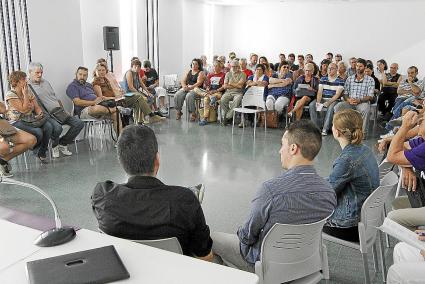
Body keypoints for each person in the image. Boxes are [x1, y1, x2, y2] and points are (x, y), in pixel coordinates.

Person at [211, 120, 336, 272]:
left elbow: (246, 237)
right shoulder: (329, 192)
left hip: (268, 266)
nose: (279, 151)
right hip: (307, 263)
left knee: (207, 240)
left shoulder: (271, 190)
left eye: (282, 144)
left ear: (293, 148)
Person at [91, 125, 213, 260]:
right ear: (157, 160)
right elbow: (205, 256)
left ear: (121, 161)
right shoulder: (185, 200)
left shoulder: (102, 194)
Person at [323, 109, 379, 242]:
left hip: (349, 225)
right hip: (366, 219)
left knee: (304, 213)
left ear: (336, 132)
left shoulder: (346, 160)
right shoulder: (365, 150)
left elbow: (327, 194)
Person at [28, 62, 84, 158]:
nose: (40, 75)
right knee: (58, 128)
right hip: (47, 115)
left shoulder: (46, 82)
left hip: (58, 112)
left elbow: (55, 98)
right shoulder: (28, 86)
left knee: (79, 123)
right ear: (30, 72)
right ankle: (55, 146)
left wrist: (63, 109)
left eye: (41, 72)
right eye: (37, 73)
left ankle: (62, 143)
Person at [5, 71, 60, 164]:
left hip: (30, 119)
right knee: (38, 132)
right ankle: (36, 150)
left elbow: (37, 107)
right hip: (16, 121)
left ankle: (41, 152)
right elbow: (23, 109)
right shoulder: (10, 95)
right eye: (23, 79)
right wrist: (25, 95)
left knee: (48, 127)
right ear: (17, 82)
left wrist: (40, 113)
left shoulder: (28, 91)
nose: (26, 81)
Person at [386, 111, 425, 230]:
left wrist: (404, 126)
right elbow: (403, 146)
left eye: (423, 118)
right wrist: (406, 166)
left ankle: (419, 246)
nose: (419, 119)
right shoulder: (422, 142)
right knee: (398, 203)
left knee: (392, 218)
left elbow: (392, 156)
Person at [66, 66, 122, 134]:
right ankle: (116, 109)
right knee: (97, 109)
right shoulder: (72, 86)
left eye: (85, 75)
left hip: (99, 106)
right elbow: (77, 102)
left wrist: (101, 99)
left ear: (87, 76)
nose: (82, 77)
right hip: (84, 111)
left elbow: (96, 97)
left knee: (116, 115)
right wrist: (94, 102)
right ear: (76, 74)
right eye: (80, 74)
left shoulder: (89, 85)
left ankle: (120, 141)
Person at [334, 58, 375, 135]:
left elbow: (370, 96)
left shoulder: (370, 80)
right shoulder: (350, 79)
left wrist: (359, 100)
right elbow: (345, 93)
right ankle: (341, 130)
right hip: (350, 102)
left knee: (365, 109)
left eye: (360, 66)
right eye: (357, 66)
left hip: (362, 102)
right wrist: (348, 100)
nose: (358, 68)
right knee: (338, 107)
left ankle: (362, 133)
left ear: (365, 67)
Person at [0, 102, 36, 177]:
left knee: (31, 140)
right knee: (4, 148)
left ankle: (3, 161)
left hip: (2, 125)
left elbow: (3, 110)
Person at [309, 62, 345, 135]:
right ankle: (316, 128)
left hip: (334, 100)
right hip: (323, 98)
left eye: (332, 68)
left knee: (331, 107)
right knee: (312, 105)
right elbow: (320, 92)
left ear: (336, 70)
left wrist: (329, 102)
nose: (329, 70)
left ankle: (325, 128)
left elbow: (337, 94)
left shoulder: (340, 80)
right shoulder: (323, 78)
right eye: (329, 68)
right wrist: (318, 102)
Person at [194, 60, 226, 126]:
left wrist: (215, 91)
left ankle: (205, 118)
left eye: (216, 66)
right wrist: (207, 87)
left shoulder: (223, 75)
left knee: (208, 98)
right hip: (210, 93)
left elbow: (223, 87)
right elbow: (207, 85)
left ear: (220, 67)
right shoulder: (210, 74)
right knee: (196, 89)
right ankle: (205, 118)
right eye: (214, 66)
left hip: (218, 92)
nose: (214, 67)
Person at [220, 59, 246, 125]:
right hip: (228, 92)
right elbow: (225, 86)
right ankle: (230, 117)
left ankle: (228, 117)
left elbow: (240, 86)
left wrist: (231, 83)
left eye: (235, 66)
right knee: (222, 100)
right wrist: (235, 85)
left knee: (237, 100)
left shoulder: (243, 74)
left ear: (238, 67)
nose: (233, 68)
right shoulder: (228, 74)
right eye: (232, 66)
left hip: (238, 92)